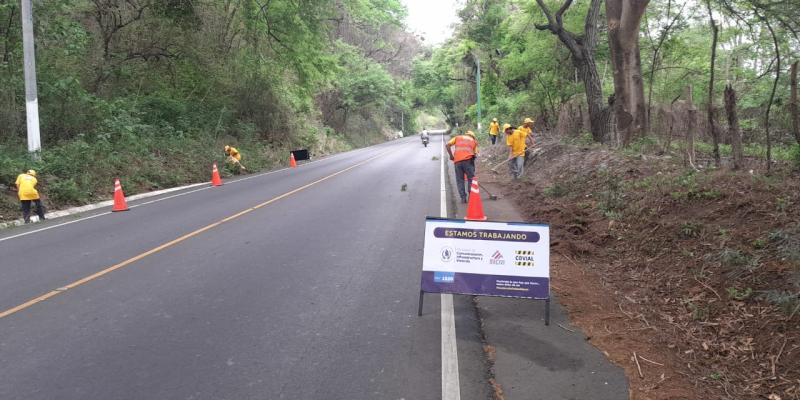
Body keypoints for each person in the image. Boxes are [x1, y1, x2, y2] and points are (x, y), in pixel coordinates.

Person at [446, 130, 478, 203]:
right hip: (468, 161)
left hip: (457, 161)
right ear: (472, 136)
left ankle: (463, 198)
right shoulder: (474, 141)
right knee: (471, 179)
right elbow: (475, 154)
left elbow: (447, 145)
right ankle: (471, 196)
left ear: (466, 134)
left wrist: (451, 156)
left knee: (460, 180)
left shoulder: (458, 137)